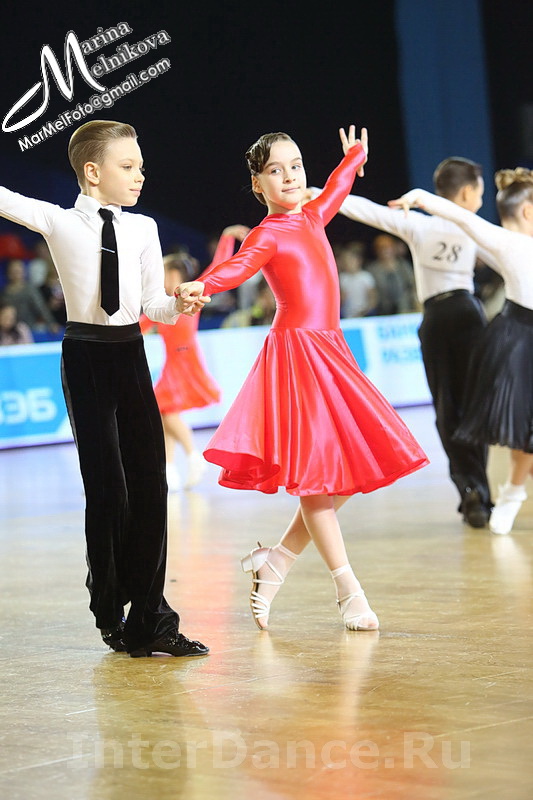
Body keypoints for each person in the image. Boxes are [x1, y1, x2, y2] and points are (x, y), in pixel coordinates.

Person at [179, 126, 429, 632]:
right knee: (318, 480)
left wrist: (354, 156)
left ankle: (275, 562)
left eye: (295, 165)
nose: (290, 175)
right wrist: (201, 284)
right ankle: (348, 591)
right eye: (276, 170)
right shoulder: (267, 233)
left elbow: (338, 185)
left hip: (331, 352)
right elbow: (237, 268)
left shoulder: (314, 215)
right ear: (258, 184)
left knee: (347, 470)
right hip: (296, 357)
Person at [0, 119, 210, 658]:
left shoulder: (143, 229)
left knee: (151, 486)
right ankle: (109, 608)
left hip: (130, 354)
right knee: (108, 490)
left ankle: (151, 621)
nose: (140, 175)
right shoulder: (57, 220)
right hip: (86, 356)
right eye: (128, 166)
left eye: (140, 166)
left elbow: (151, 305)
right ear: (93, 172)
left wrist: (179, 302)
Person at [309, 157, 493, 527]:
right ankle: (480, 492)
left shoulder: (419, 225)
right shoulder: (476, 228)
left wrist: (316, 192)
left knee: (446, 408)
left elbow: (368, 211)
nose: (481, 199)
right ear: (466, 192)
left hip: (436, 318)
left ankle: (469, 489)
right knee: (475, 406)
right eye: (480, 193)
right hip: (469, 314)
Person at [391, 167, 533, 536]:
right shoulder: (505, 241)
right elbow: (463, 218)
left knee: (518, 428)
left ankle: (502, 490)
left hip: (500, 330)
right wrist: (422, 198)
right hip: (512, 336)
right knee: (517, 426)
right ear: (528, 211)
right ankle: (506, 492)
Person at [140, 224, 249, 491]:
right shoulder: (160, 304)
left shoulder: (192, 293)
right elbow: (139, 326)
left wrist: (226, 237)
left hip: (185, 360)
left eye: (164, 273)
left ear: (174, 274)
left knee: (164, 410)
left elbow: (217, 267)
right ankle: (169, 470)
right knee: (164, 413)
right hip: (174, 362)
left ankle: (192, 456)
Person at [0, 257, 59, 334]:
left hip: (29, 328)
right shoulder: (4, 293)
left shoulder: (30, 289)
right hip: (10, 330)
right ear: (9, 273)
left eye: (19, 271)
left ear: (24, 272)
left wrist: (51, 323)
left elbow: (41, 307)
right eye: (14, 271)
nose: (17, 274)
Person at [366, 233, 417, 315]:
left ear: (393, 248)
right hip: (382, 313)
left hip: (405, 310)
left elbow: (413, 286)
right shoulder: (372, 269)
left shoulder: (404, 266)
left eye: (388, 247)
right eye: (381, 248)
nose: (385, 250)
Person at [335, 240, 377, 317]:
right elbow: (340, 300)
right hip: (347, 316)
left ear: (358, 260)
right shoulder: (342, 278)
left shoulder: (366, 277)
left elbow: (373, 298)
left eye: (349, 260)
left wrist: (366, 312)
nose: (346, 263)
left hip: (364, 315)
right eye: (344, 260)